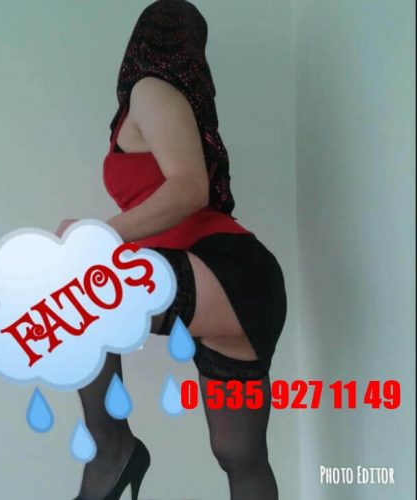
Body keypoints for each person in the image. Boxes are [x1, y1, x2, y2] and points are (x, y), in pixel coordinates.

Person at [57, 1, 287, 499]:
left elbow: (189, 190)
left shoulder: (151, 90)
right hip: (242, 286)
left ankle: (113, 450)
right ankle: (114, 450)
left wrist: (96, 236)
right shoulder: (172, 107)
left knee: (76, 286)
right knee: (239, 456)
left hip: (229, 270)